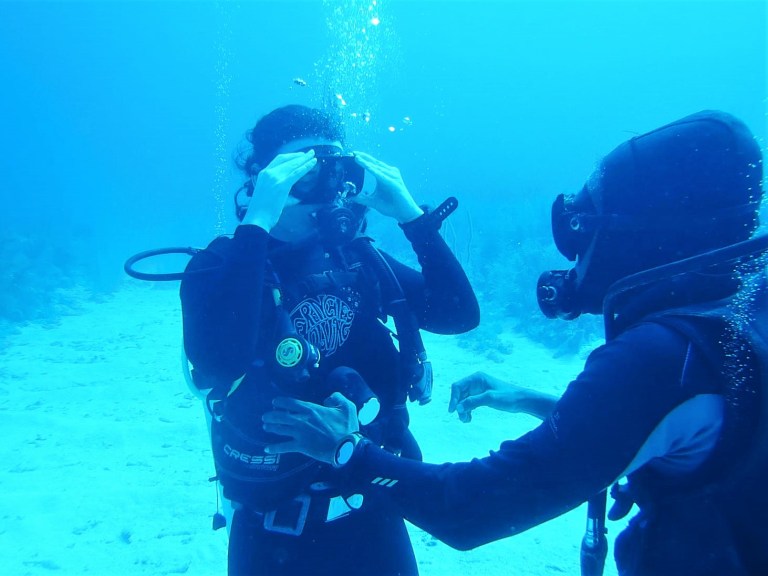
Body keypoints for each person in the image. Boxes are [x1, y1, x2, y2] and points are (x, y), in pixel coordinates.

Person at [261, 109, 768, 576]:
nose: (573, 251)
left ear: (637, 237)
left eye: (580, 227)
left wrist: (346, 451)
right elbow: (650, 421)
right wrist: (533, 399)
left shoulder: (658, 357)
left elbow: (470, 509)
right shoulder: (739, 316)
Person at [179, 104, 480, 576]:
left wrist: (411, 216)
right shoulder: (220, 266)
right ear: (265, 178)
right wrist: (258, 222)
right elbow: (219, 361)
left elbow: (458, 313)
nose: (326, 192)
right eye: (303, 175)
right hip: (272, 533)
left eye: (334, 172)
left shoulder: (359, 261)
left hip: (373, 511)